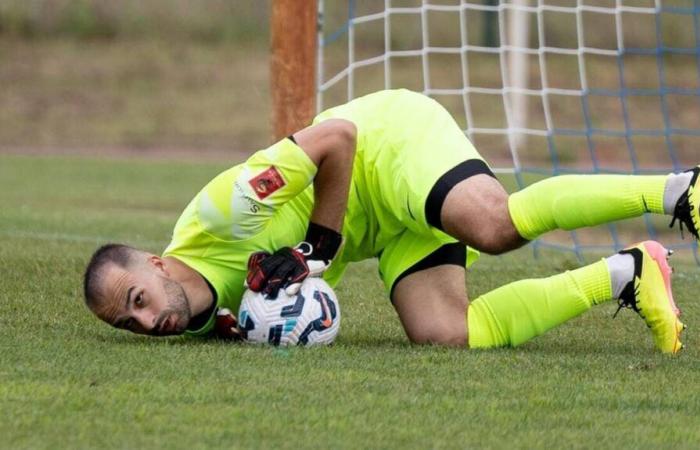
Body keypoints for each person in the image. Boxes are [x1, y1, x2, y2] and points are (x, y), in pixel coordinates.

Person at [82, 89, 698, 354]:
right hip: (382, 230)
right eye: (128, 323)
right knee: (444, 334)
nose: (145, 321)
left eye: (136, 298)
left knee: (495, 226)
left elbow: (337, 138)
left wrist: (318, 247)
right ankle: (625, 274)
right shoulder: (184, 318)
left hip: (386, 149)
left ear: (157, 262)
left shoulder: (227, 209)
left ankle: (679, 191)